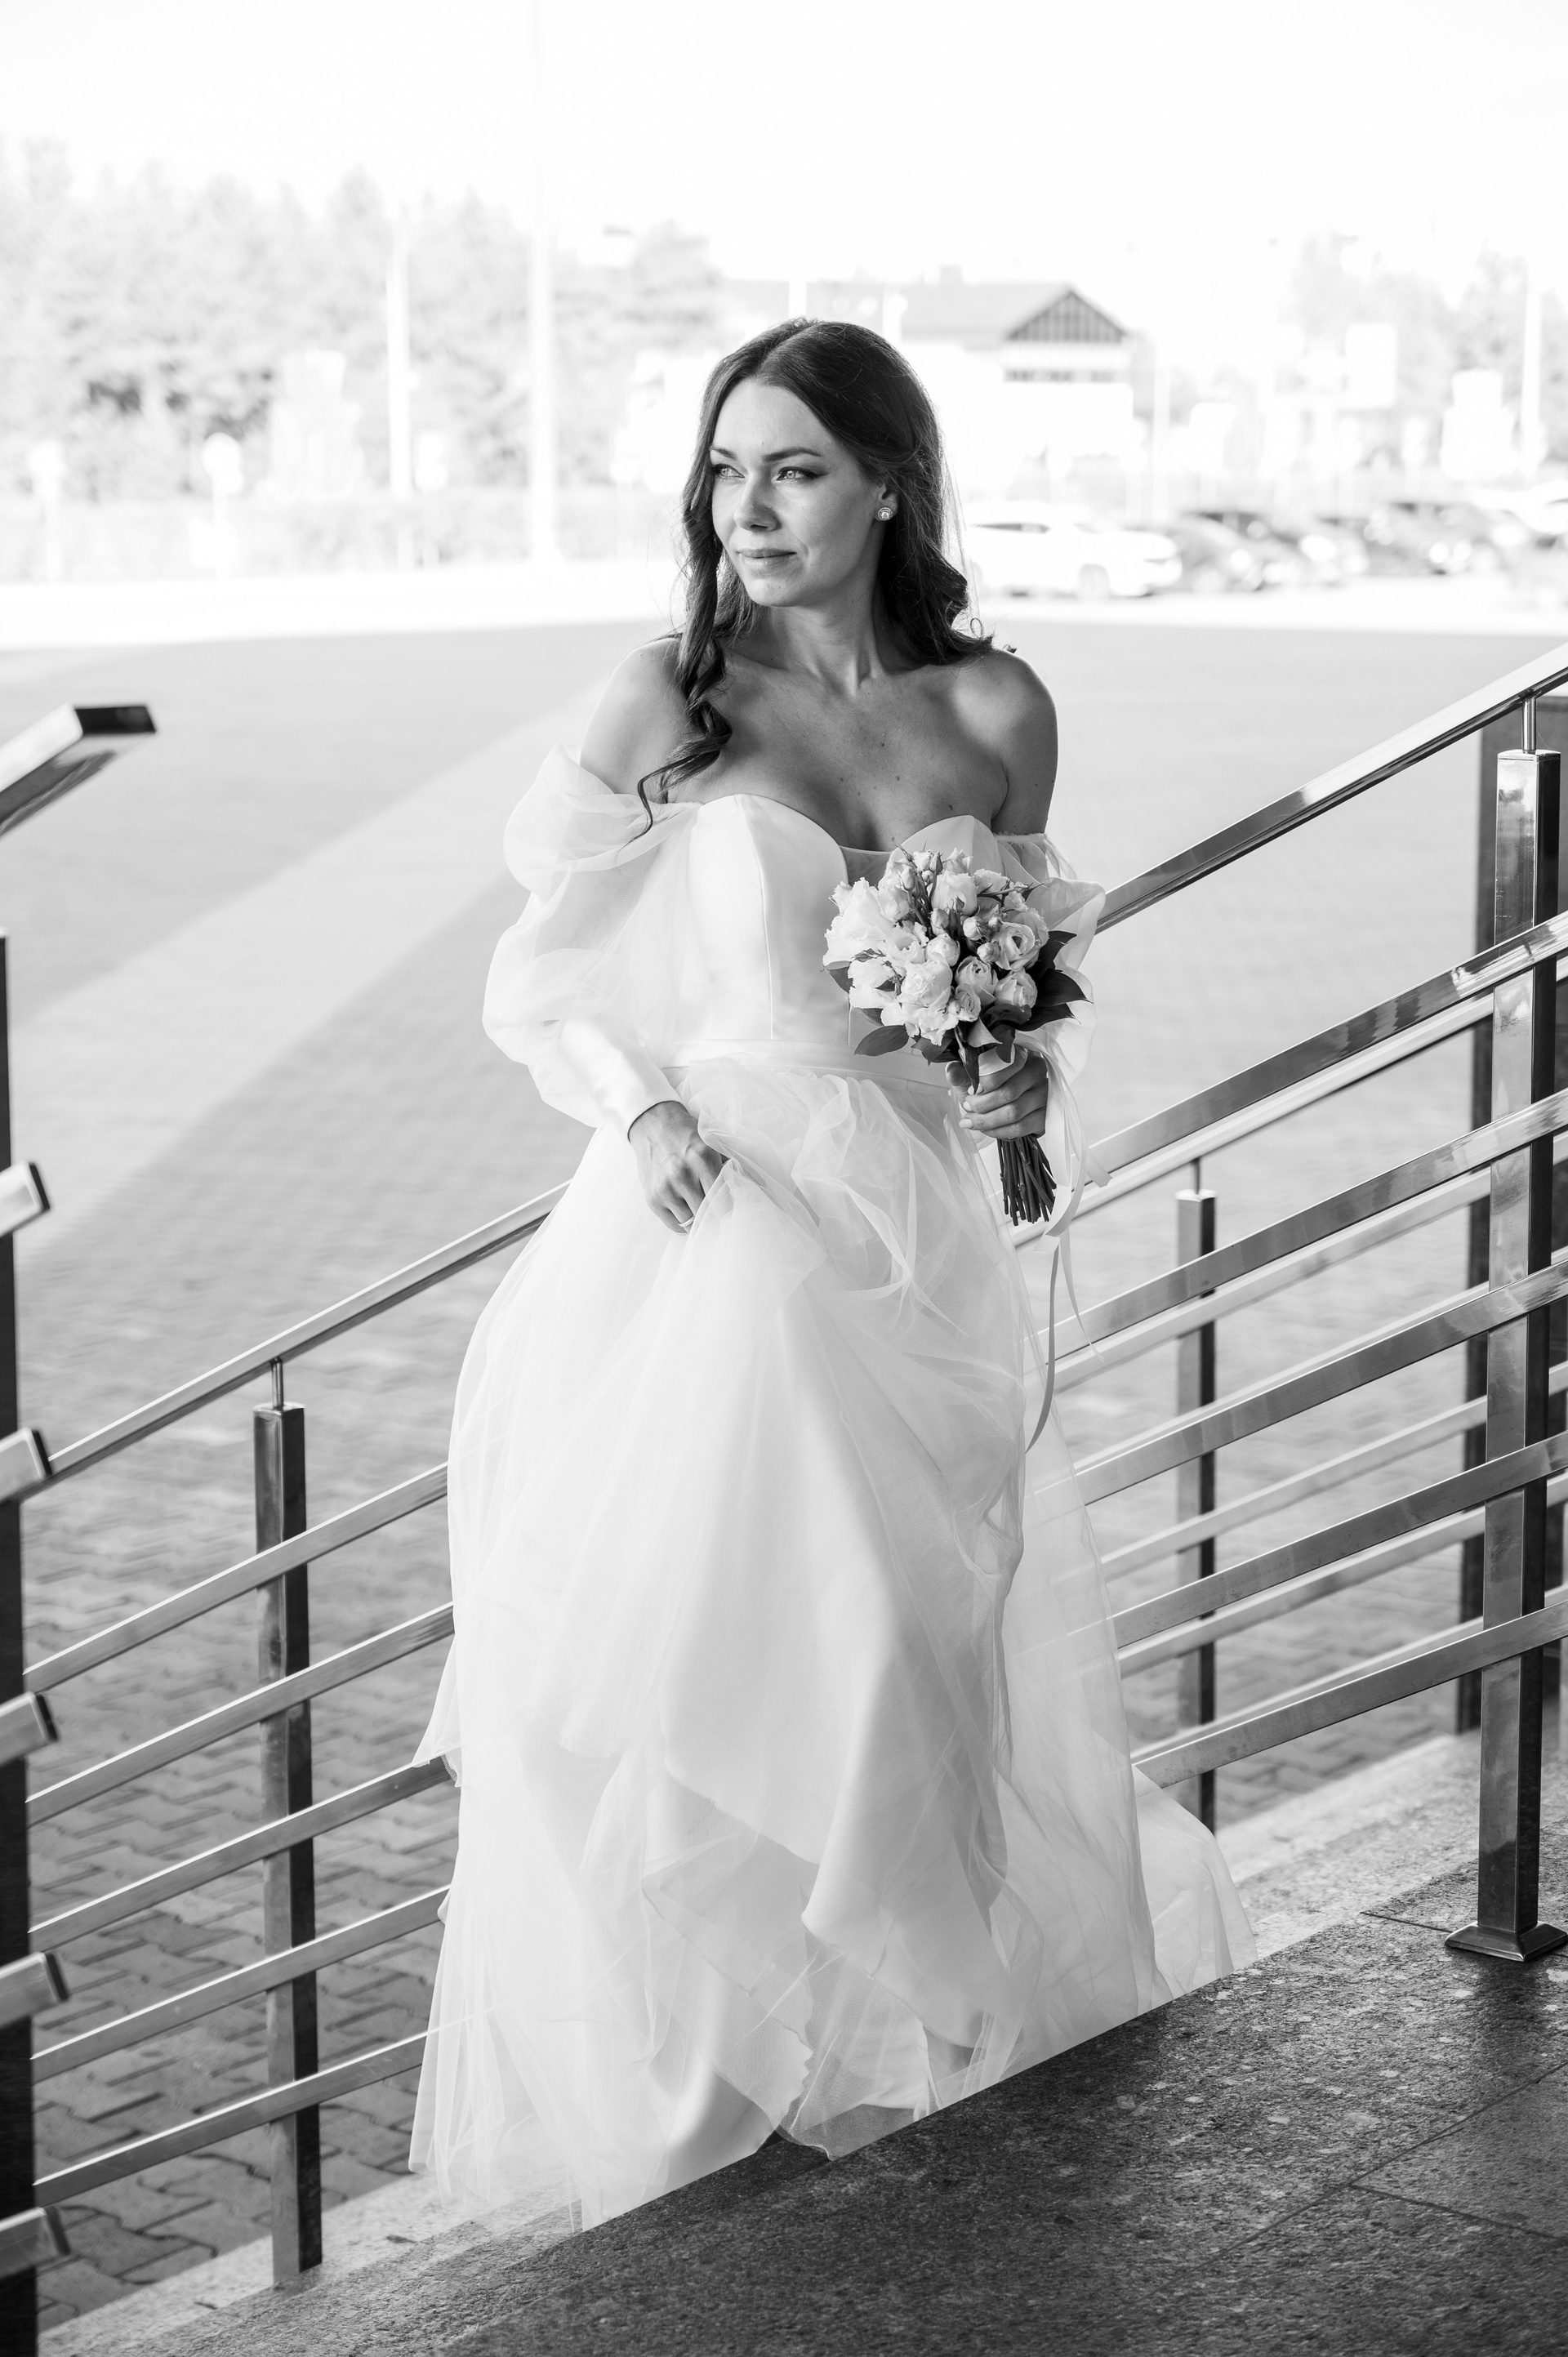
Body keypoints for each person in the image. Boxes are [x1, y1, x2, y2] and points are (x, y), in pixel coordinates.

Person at [410, 319, 1252, 2226]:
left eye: (792, 468)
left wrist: (1014, 1078)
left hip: (914, 1227)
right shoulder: (671, 699)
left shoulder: (997, 708)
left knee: (928, 1635)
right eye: (726, 471)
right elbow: (535, 977)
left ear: (886, 480)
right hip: (717, 1219)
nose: (750, 508)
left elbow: (1006, 1004)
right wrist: (639, 1108)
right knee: (766, 1635)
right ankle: (732, 2083)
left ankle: (906, 2038)